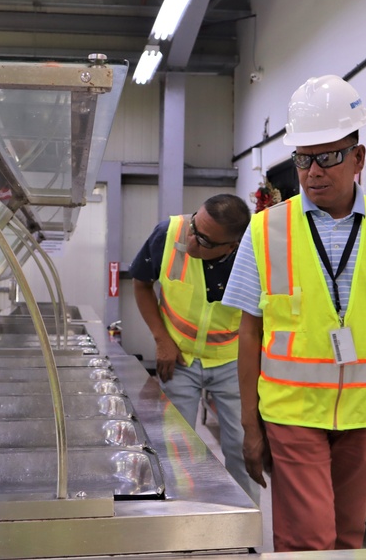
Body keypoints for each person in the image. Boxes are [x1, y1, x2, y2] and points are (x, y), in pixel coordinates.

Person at [223, 75, 366, 550]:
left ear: (358, 158)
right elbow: (248, 332)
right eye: (303, 159)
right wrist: (249, 425)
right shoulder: (265, 231)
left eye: (328, 156)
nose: (313, 172)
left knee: (347, 538)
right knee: (310, 539)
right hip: (293, 412)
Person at [130, 193, 260, 503]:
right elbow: (141, 283)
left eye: (204, 240)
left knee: (243, 446)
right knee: (175, 445)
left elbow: (261, 318)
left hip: (231, 361)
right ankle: (180, 513)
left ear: (231, 247)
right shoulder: (167, 234)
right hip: (179, 359)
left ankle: (244, 519)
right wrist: (162, 339)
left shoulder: (254, 256)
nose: (192, 239)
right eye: (194, 226)